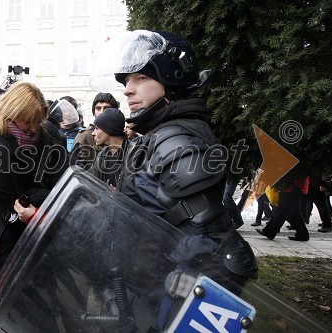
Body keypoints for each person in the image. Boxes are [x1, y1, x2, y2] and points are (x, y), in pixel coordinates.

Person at [90, 30, 257, 330]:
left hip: (182, 292)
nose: (128, 90)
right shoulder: (157, 135)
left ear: (171, 82)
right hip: (155, 285)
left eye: (141, 78)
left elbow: (207, 242)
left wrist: (173, 291)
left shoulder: (174, 140)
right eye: (127, 81)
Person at [0, 81, 68, 333]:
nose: (35, 127)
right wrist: (41, 197)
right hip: (6, 244)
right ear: (14, 113)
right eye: (30, 121)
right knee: (9, 316)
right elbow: (11, 209)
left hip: (33, 237)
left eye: (39, 120)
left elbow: (58, 181)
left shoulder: (41, 138)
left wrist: (36, 197)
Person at [71, 92, 119, 170]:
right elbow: (76, 167)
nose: (102, 112)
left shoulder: (120, 135)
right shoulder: (84, 136)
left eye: (106, 108)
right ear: (93, 112)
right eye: (98, 108)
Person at [256, 175, 310, 241]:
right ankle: (303, 234)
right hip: (291, 188)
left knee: (282, 211)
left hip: (294, 188)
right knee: (295, 214)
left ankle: (270, 231)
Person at [90, 108, 127, 188]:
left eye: (96, 128)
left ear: (109, 129)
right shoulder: (101, 156)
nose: (93, 133)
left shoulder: (134, 154)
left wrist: (120, 193)